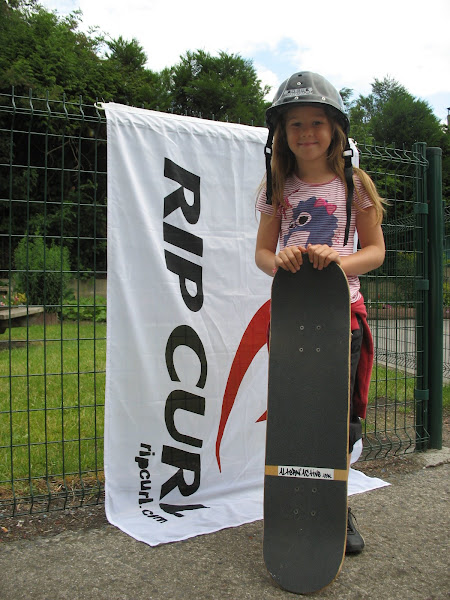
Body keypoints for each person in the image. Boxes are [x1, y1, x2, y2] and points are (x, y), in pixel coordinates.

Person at [255, 71, 385, 554]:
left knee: (337, 420)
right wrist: (282, 260)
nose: (306, 133)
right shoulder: (276, 187)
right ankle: (289, 508)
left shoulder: (355, 184)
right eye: (294, 125)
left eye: (315, 122)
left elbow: (375, 251)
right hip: (291, 321)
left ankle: (337, 508)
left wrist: (340, 262)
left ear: (335, 129)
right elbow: (263, 255)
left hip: (342, 316)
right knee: (296, 416)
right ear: (280, 135)